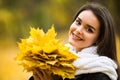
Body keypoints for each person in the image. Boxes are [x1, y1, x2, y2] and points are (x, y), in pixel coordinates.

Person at [29, 2, 119, 80]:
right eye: (78, 22)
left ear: (99, 38)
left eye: (89, 30)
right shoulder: (55, 60)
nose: (78, 30)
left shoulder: (100, 73)